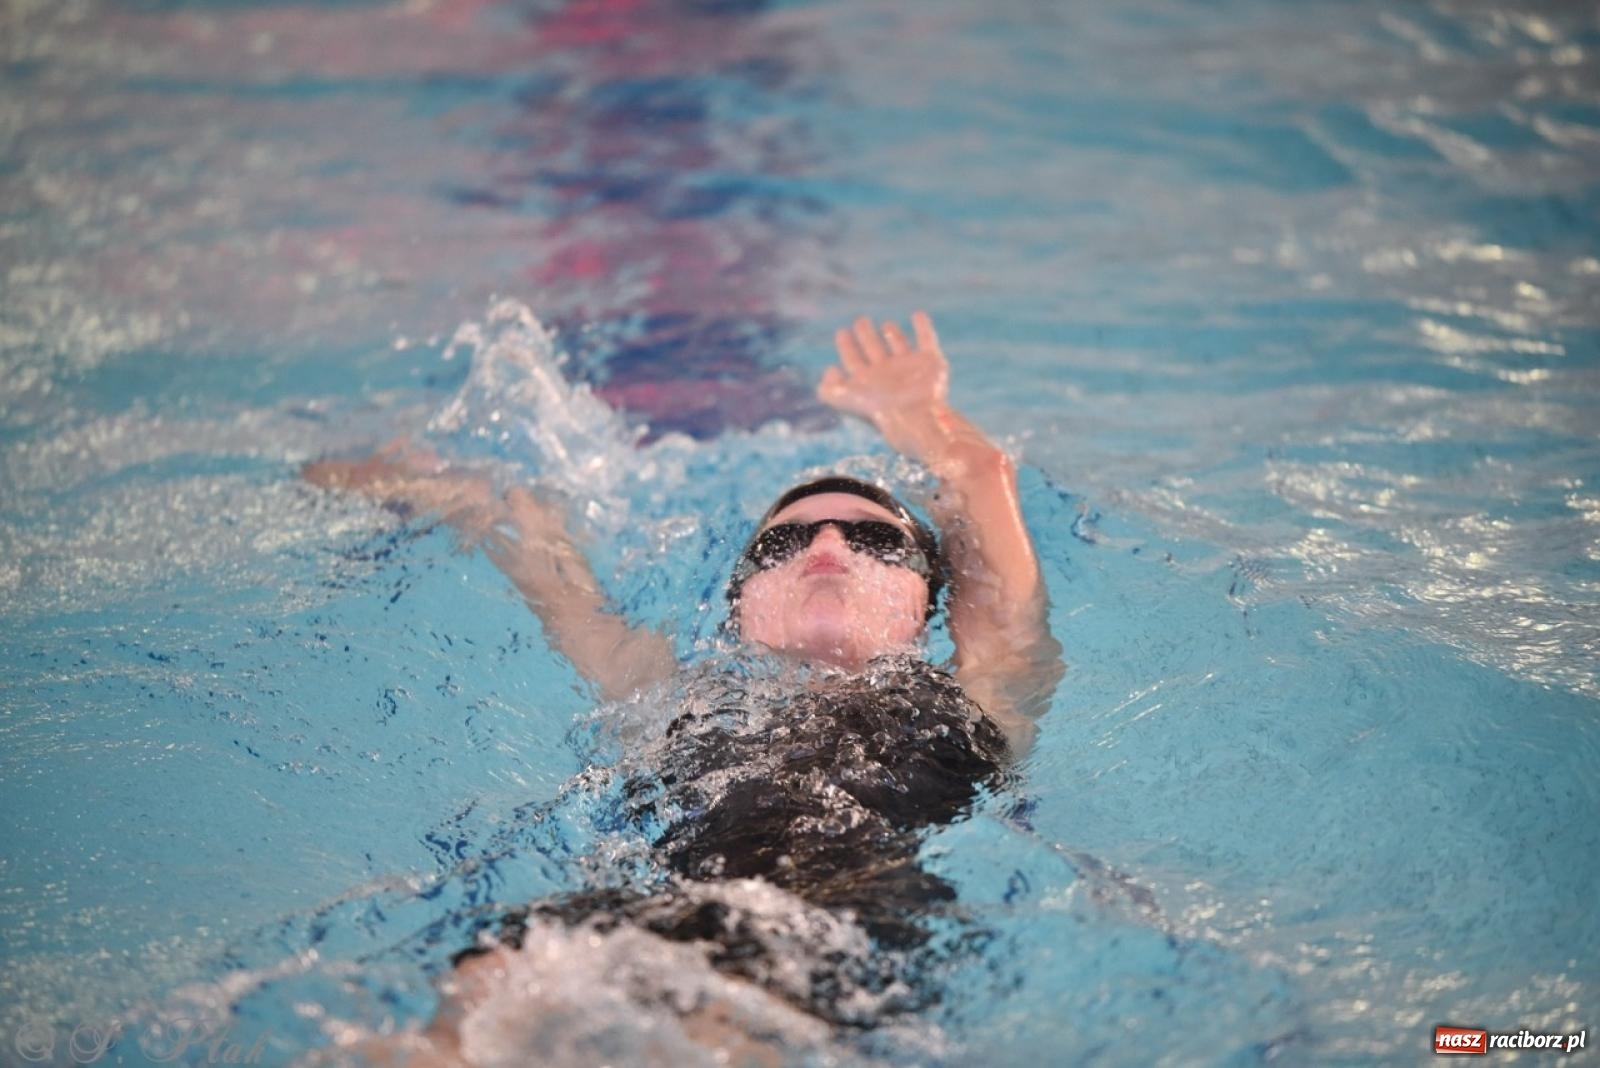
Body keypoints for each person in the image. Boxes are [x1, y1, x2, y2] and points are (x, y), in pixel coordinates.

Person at [303, 312, 1063, 1064]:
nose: (828, 547)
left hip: (842, 926)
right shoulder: (669, 691)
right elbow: (543, 559)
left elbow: (981, 482)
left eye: (873, 539)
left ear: (926, 604)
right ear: (740, 608)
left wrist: (917, 414)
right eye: (785, 541)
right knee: (482, 996)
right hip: (635, 917)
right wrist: (419, 479)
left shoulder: (980, 696)